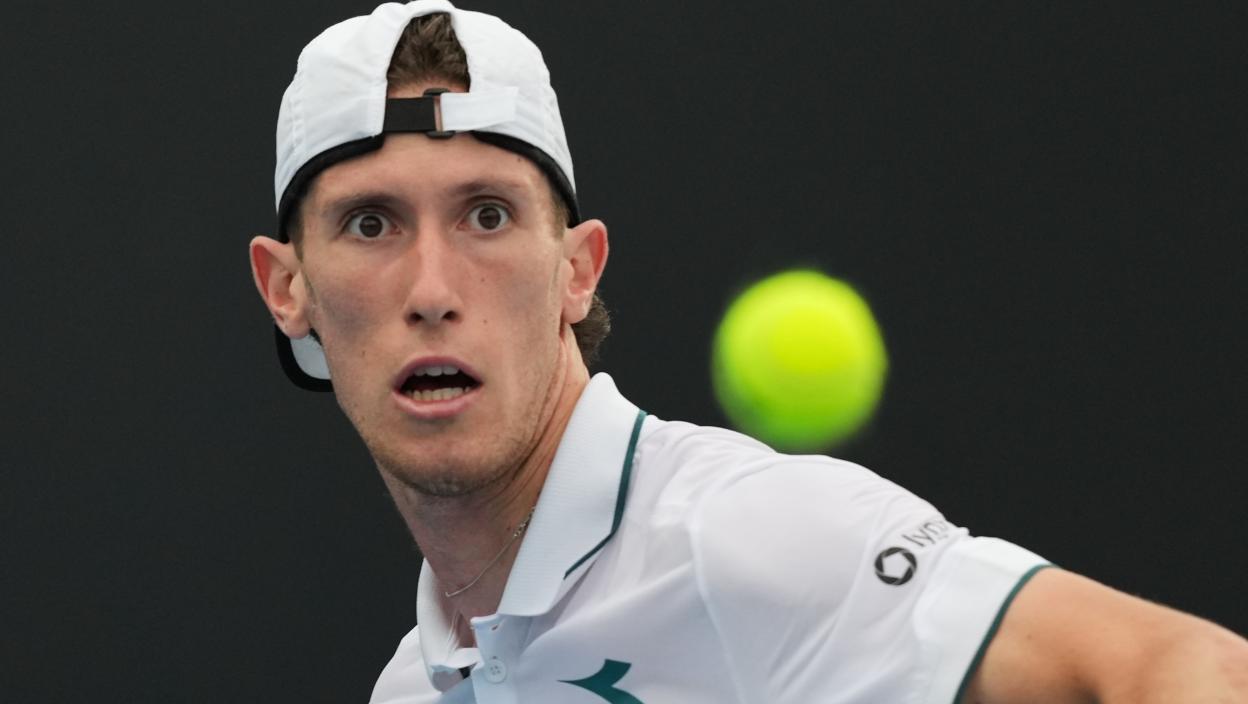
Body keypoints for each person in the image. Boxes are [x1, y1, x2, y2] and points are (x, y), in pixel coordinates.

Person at [249, 2, 1248, 702]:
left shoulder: (747, 538)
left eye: (488, 215)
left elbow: (1192, 670)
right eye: (371, 224)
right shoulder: (412, 687)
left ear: (576, 271)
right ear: (287, 287)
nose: (431, 289)